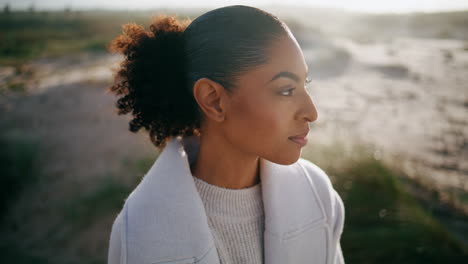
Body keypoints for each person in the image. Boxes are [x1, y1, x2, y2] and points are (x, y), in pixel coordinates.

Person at [106, 5, 345, 264]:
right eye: (286, 90)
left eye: (304, 84)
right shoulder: (139, 235)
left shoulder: (318, 194)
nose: (312, 112)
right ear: (214, 101)